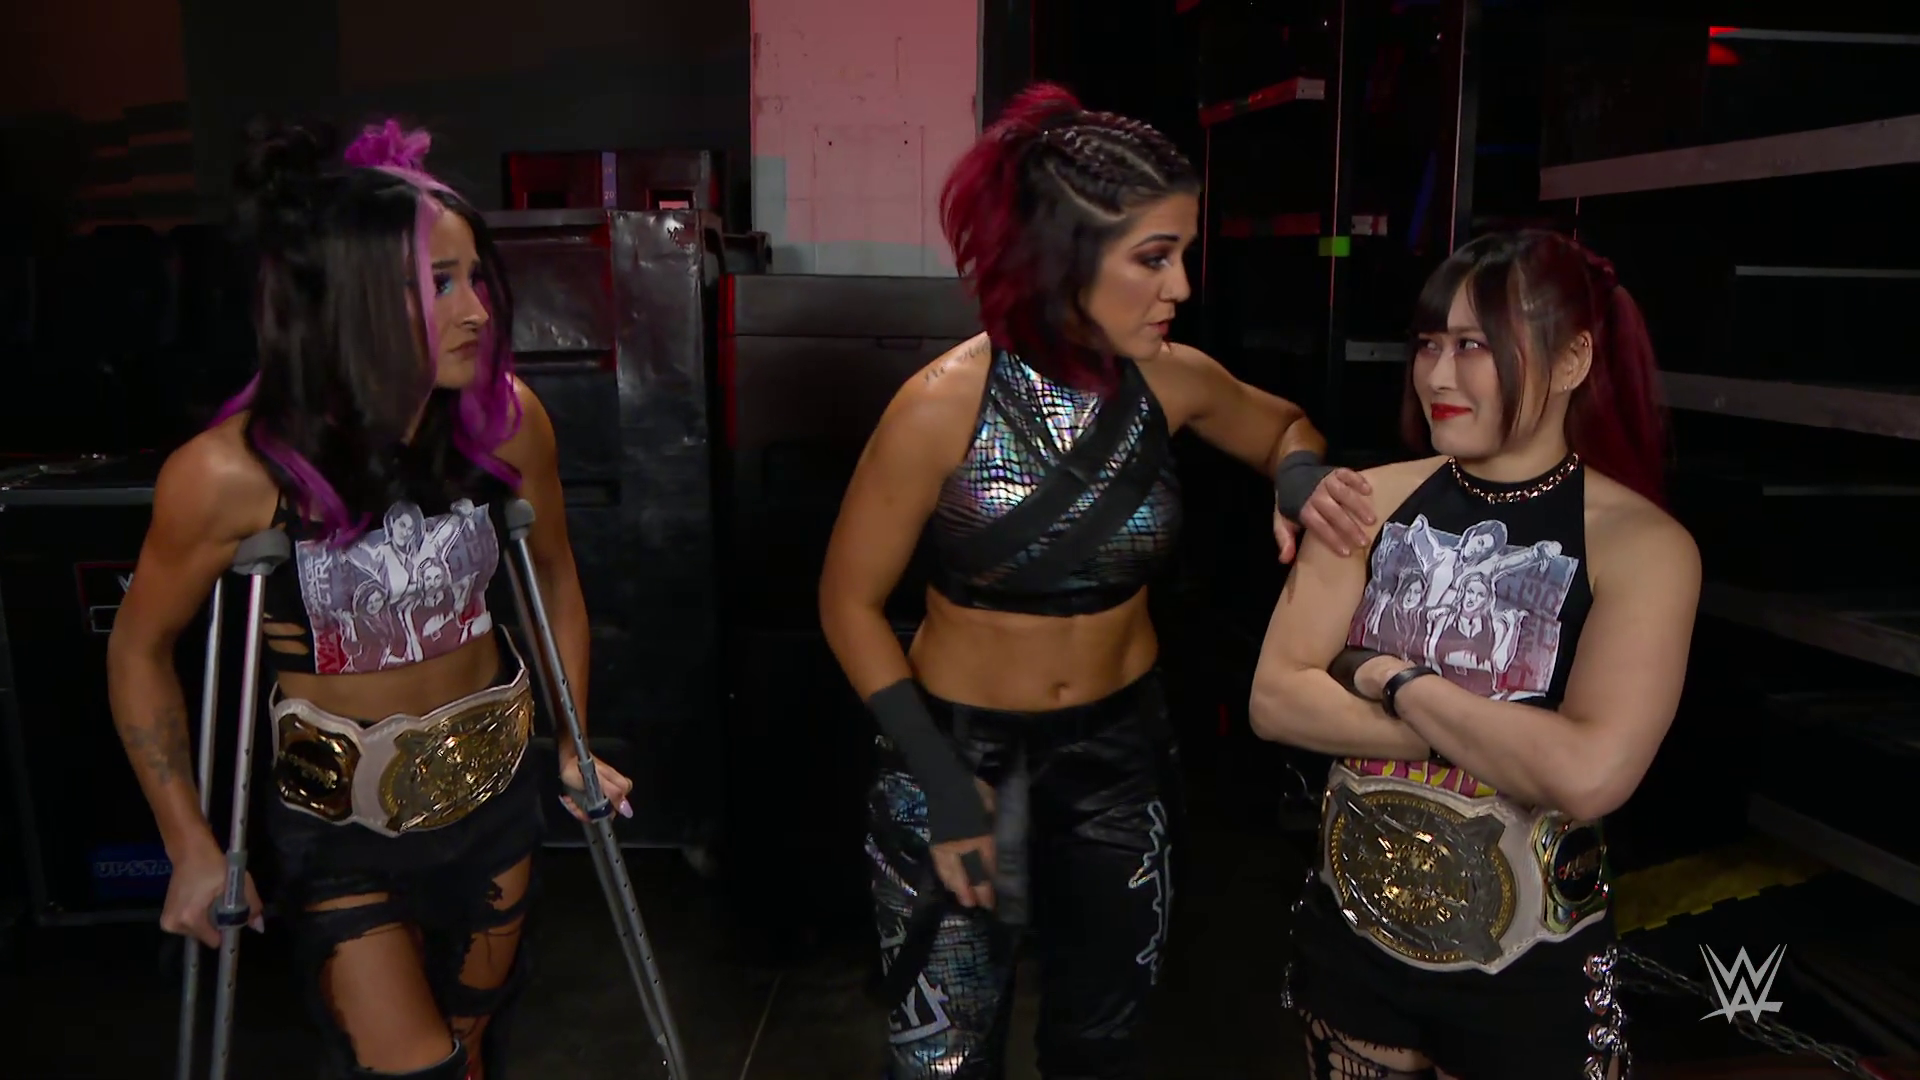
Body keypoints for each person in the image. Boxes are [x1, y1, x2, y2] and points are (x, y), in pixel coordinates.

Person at [817, 83, 1375, 1079]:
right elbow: (847, 603)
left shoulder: (1173, 380)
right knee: (945, 1056)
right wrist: (942, 783)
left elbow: (1285, 427)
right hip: (955, 753)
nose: (1182, 287)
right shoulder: (940, 406)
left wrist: (1297, 477)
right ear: (1065, 255)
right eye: (1154, 258)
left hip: (1119, 755)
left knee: (1102, 1049)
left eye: (1183, 254)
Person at [106, 118, 631, 1080]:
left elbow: (556, 578)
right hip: (337, 824)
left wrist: (573, 741)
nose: (477, 310)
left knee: (470, 1047)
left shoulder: (508, 424)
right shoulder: (228, 474)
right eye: (440, 284)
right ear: (349, 301)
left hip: (493, 790)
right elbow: (139, 649)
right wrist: (189, 843)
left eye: (476, 278)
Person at [1249, 229, 1700, 1080]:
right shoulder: (1364, 502)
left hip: (1530, 973)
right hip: (1354, 944)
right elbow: (1275, 699)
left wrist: (1384, 676)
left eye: (1475, 347)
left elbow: (1589, 773)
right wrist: (1502, 740)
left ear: (1572, 360)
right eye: (1429, 344)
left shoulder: (1643, 545)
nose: (1438, 376)